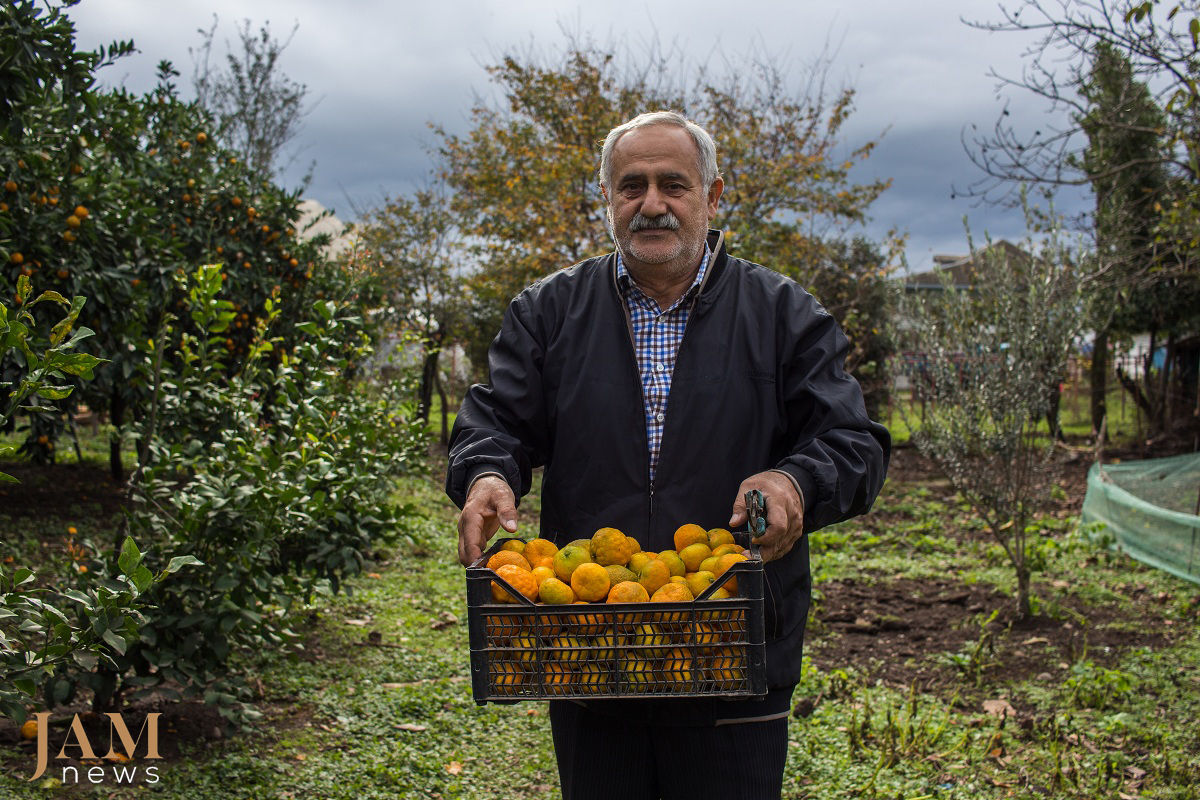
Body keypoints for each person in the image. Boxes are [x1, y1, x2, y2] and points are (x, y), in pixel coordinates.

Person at [446, 110, 890, 800]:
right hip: (592, 652)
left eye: (673, 185)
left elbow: (853, 441)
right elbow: (496, 419)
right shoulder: (549, 312)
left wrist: (795, 483)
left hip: (735, 647)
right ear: (608, 202)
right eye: (631, 187)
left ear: (713, 198)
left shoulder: (782, 313)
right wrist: (485, 474)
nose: (651, 204)